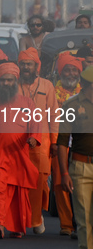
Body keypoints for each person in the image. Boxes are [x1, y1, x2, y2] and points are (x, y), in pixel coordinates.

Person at [0, 62, 41, 239]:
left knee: (17, 193)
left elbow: (36, 123)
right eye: (3, 80)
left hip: (19, 156)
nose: (6, 83)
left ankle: (16, 227)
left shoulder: (27, 102)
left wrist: (34, 138)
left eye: (10, 80)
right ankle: (0, 224)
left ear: (16, 81)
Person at [17, 47, 59, 234]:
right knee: (19, 182)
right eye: (23, 64)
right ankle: (23, 219)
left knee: (40, 180)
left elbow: (54, 116)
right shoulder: (12, 84)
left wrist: (55, 141)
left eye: (29, 64)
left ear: (37, 66)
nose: (26, 67)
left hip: (42, 141)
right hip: (18, 141)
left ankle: (36, 216)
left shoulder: (47, 86)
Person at [57, 65, 93, 249]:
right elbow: (62, 142)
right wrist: (64, 173)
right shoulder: (71, 105)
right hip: (80, 167)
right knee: (84, 219)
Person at [52, 52, 84, 237]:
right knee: (60, 183)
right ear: (60, 72)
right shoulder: (52, 92)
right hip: (58, 144)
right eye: (67, 70)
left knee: (81, 185)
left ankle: (81, 222)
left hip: (81, 145)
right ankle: (66, 224)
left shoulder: (85, 92)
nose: (71, 74)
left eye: (74, 70)